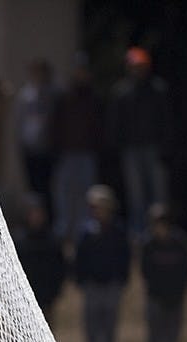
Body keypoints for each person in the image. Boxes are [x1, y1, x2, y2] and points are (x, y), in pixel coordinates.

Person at [106, 47, 172, 242]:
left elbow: (166, 121)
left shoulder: (158, 90)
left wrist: (166, 148)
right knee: (136, 195)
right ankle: (138, 233)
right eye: (134, 66)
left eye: (141, 66)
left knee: (158, 194)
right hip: (131, 151)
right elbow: (114, 124)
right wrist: (116, 148)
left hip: (154, 149)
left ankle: (161, 232)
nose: (137, 70)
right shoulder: (121, 92)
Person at [74, 185, 130, 342]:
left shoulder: (118, 231)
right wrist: (82, 281)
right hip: (92, 288)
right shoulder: (86, 232)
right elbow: (79, 260)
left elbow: (125, 259)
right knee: (92, 336)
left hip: (111, 288)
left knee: (108, 336)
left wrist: (121, 281)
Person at [51, 52, 104, 247]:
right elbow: (56, 125)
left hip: (87, 153)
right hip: (67, 153)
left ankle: (83, 231)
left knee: (86, 193)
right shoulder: (64, 96)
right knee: (64, 193)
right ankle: (65, 229)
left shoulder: (93, 97)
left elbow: (99, 127)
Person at [140, 203, 187, 342]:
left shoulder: (179, 243)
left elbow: (186, 272)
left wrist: (178, 293)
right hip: (155, 300)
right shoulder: (149, 244)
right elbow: (145, 273)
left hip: (175, 299)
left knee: (172, 340)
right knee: (154, 341)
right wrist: (156, 293)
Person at [11, 193, 66, 326]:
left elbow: (59, 268)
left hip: (46, 299)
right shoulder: (18, 241)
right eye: (32, 213)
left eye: (38, 213)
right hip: (23, 300)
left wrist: (54, 292)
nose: (35, 217)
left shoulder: (52, 240)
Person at [13, 59, 57, 216]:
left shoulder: (52, 94)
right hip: (29, 147)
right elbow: (19, 121)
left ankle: (48, 219)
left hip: (47, 147)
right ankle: (33, 218)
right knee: (32, 187)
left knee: (47, 186)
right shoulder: (25, 95)